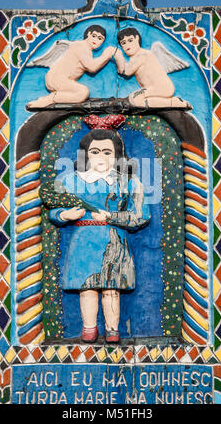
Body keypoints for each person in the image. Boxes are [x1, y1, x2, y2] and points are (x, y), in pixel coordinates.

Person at [48, 115, 150, 343]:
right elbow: (53, 208)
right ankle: (89, 328)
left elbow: (142, 216)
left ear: (117, 155)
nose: (101, 157)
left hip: (113, 240)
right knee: (87, 287)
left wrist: (112, 216)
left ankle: (113, 329)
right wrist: (64, 214)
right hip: (84, 240)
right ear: (85, 154)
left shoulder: (130, 183)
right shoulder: (70, 180)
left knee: (112, 287)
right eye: (95, 152)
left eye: (107, 152)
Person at [27, 25, 116, 109]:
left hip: (60, 79)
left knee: (81, 92)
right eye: (94, 36)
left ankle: (53, 97)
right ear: (88, 34)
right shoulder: (81, 46)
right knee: (83, 92)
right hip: (58, 79)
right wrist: (107, 55)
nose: (96, 40)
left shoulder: (85, 48)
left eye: (100, 38)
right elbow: (92, 67)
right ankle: (49, 99)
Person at [114, 27, 191, 109]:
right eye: (123, 43)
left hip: (162, 87)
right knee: (135, 99)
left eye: (130, 40)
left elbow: (126, 71)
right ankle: (168, 103)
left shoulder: (143, 54)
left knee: (135, 99)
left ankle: (174, 102)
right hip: (150, 89)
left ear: (137, 38)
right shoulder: (134, 58)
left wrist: (116, 54)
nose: (127, 45)